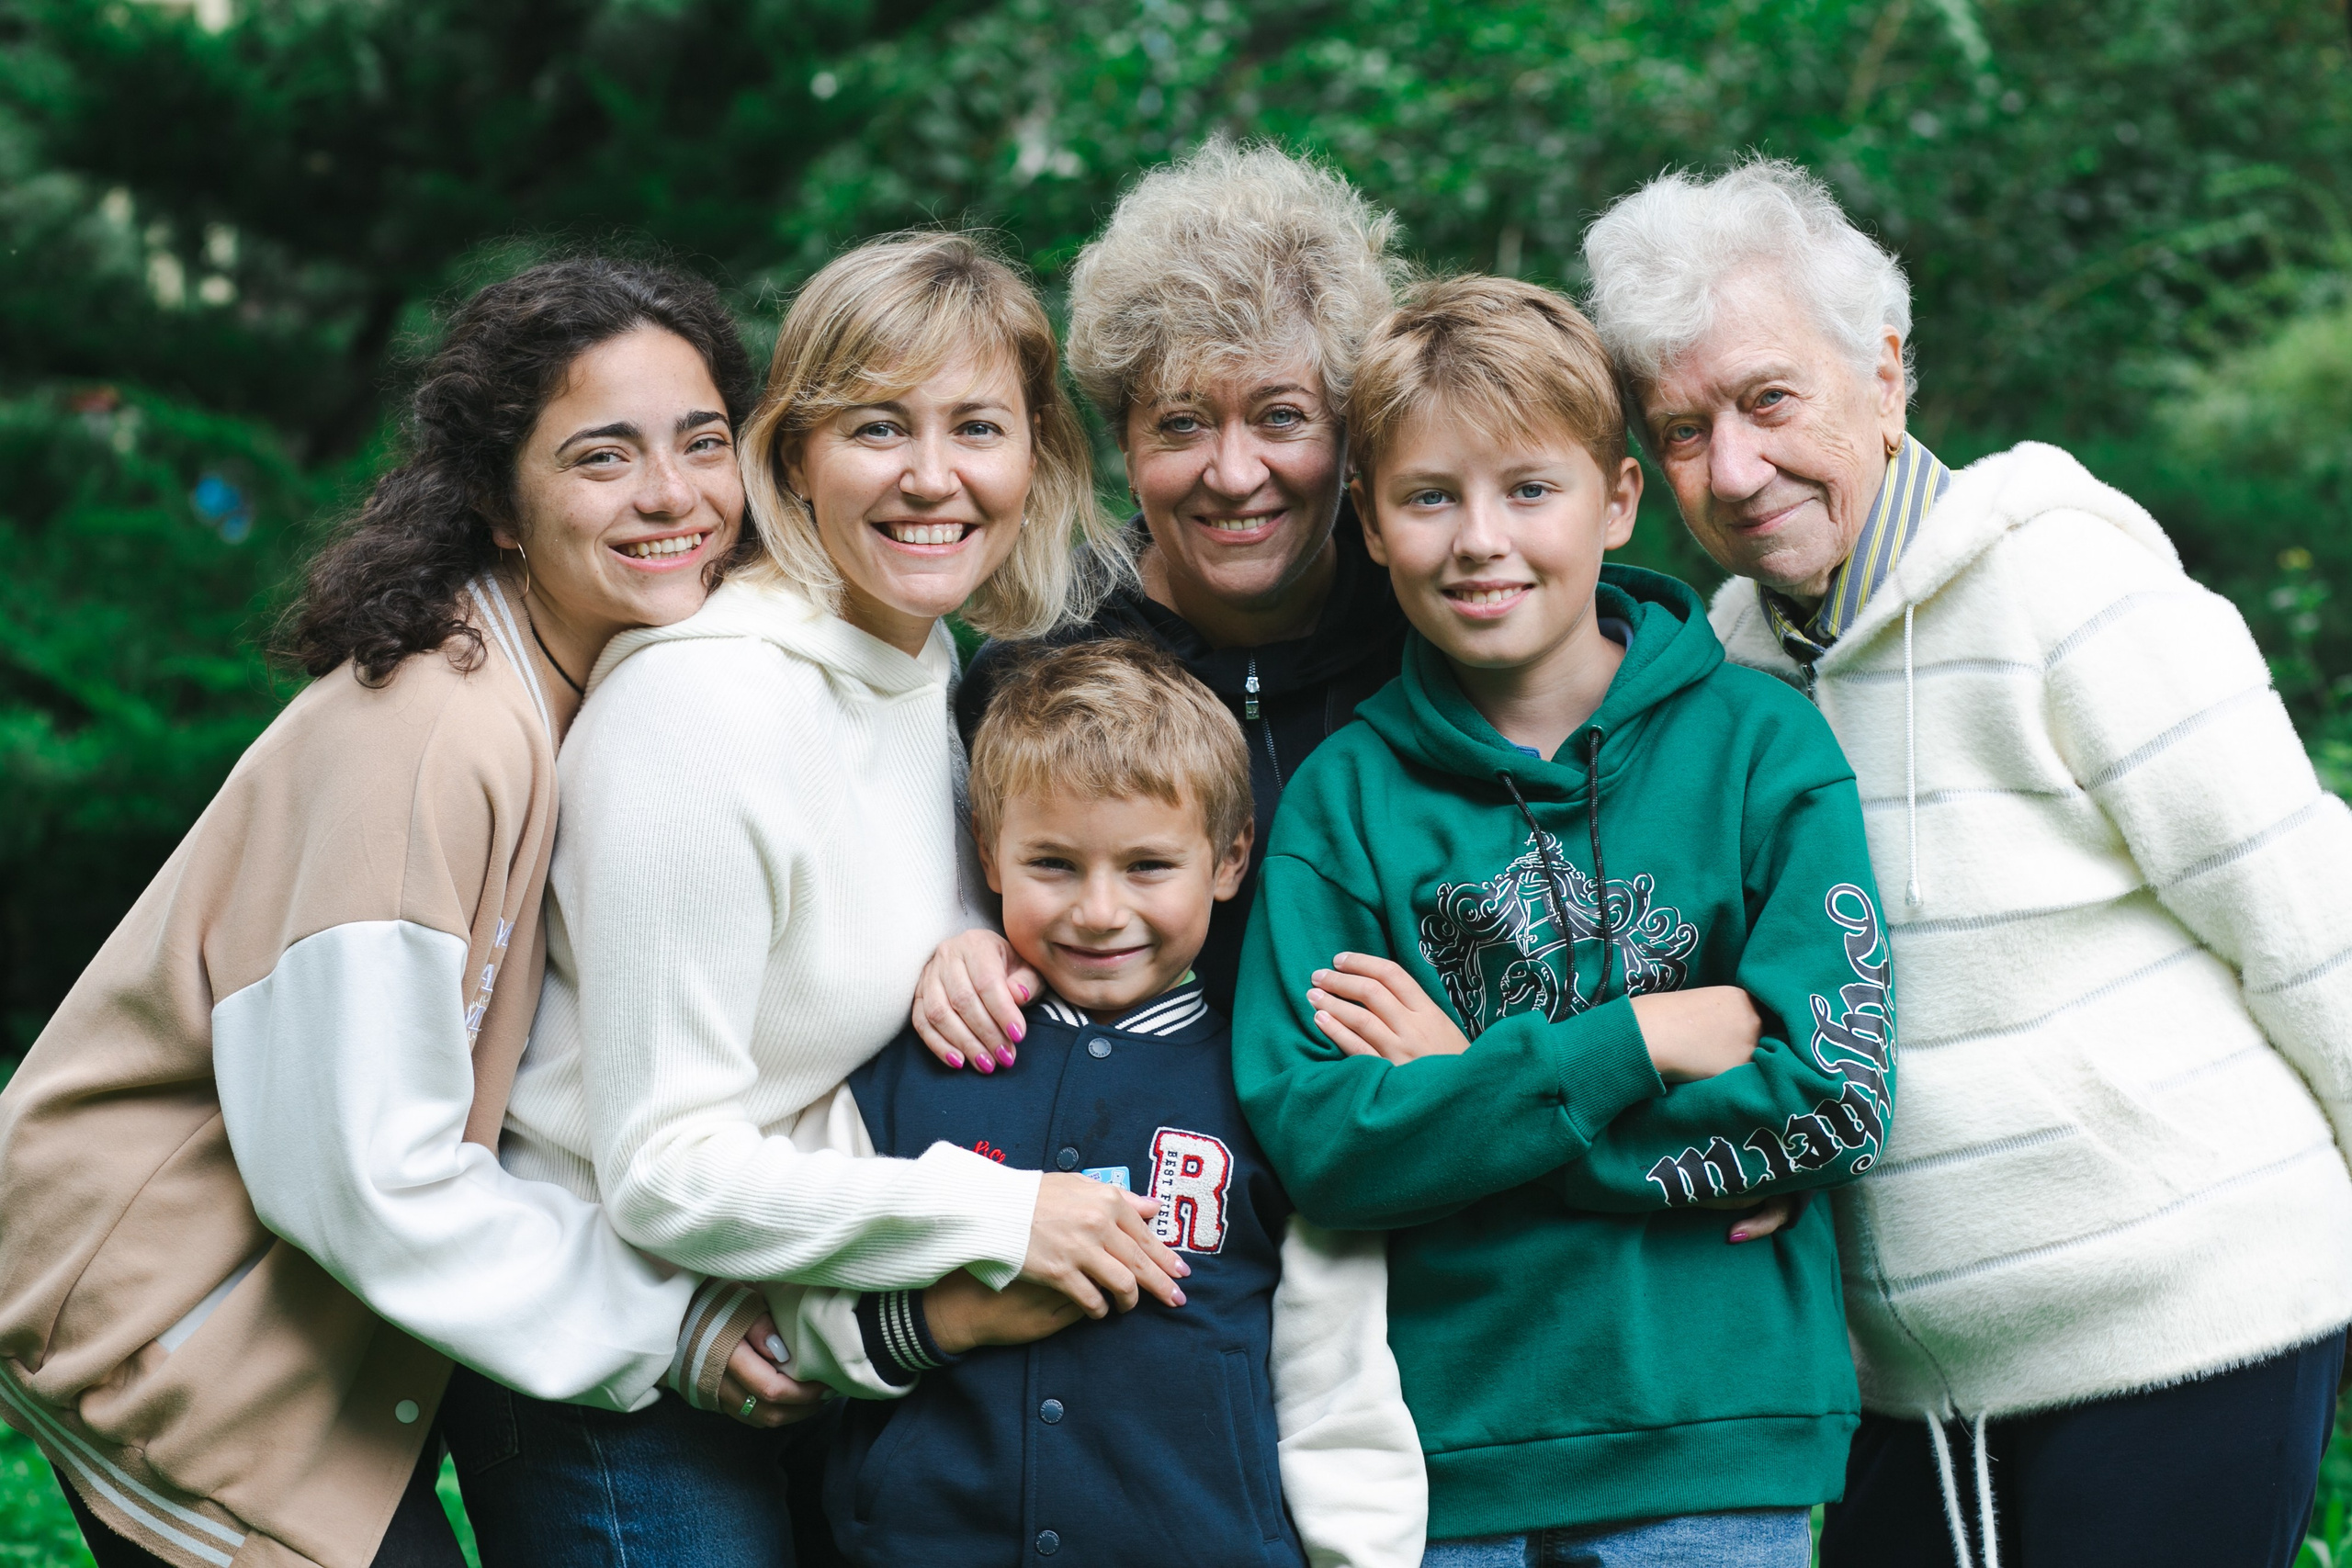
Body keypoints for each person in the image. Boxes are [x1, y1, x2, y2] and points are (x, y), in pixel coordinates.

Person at [1583, 157, 2352, 1568]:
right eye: (1684, 430)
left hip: (2185, 1317)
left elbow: (2310, 919)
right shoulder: (1733, 671)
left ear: (1884, 374)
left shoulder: (2069, 589)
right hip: (1907, 1382)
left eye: (1768, 399)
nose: (1736, 469)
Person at [0, 258, 797, 1568]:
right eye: (603, 456)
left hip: (285, 1327)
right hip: (165, 1329)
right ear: (496, 503)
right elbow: (367, 1170)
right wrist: (676, 1323)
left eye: (704, 441)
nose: (675, 496)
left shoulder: (603, 687)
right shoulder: (435, 726)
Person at [464, 232, 1186, 1564]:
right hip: (619, 1377)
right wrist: (1000, 1209)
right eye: (875, 427)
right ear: (791, 456)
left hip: (798, 1336)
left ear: (1034, 459)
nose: (931, 476)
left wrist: (966, 945)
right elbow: (665, 1170)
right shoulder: (702, 704)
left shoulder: (928, 670)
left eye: (977, 425)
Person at [1230, 276, 1896, 1567]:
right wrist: (1640, 1041)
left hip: (1717, 1431)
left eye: (1529, 489)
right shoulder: (1345, 801)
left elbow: (1834, 1098)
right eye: (1431, 496)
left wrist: (1467, 1098)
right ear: (1368, 523)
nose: (1481, 539)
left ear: (1619, 498)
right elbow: (1329, 1144)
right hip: (1447, 1450)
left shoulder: (1763, 747)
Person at [764, 639, 1421, 1567]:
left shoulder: (1274, 1089)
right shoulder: (906, 1068)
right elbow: (803, 1304)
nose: (1100, 911)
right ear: (989, 852)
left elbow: (1336, 1383)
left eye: (1148, 866)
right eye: (1055, 866)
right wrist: (932, 1324)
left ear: (1230, 857)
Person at [910, 140, 1411, 1065]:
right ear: (1124, 445)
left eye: (1281, 417)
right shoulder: (1038, 663)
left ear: (1351, 434)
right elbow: (976, 895)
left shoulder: (1430, 629)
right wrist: (958, 942)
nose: (1232, 473)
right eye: (1181, 423)